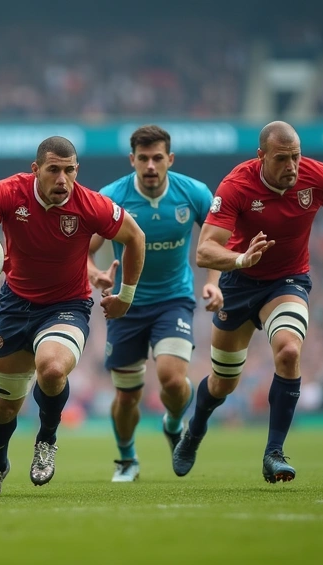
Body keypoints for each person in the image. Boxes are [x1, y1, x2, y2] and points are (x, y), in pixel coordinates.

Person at [0, 136, 146, 496]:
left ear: (77, 170)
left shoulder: (91, 204)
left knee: (51, 367)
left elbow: (135, 237)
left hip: (68, 305)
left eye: (69, 170)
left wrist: (126, 295)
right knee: (4, 407)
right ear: (36, 170)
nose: (62, 179)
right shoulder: (7, 193)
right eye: (53, 170)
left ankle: (47, 439)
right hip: (15, 306)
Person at [177, 121, 323, 483]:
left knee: (289, 352)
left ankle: (274, 452)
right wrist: (240, 260)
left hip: (288, 280)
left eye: (295, 157)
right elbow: (204, 251)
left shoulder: (321, 177)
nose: (292, 167)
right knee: (223, 382)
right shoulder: (236, 185)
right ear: (261, 156)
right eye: (282, 159)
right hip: (239, 283)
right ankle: (195, 430)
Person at [87, 125, 222, 482]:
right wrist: (94, 273)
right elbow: (85, 252)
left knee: (173, 381)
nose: (150, 165)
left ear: (169, 160)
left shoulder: (193, 193)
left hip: (173, 300)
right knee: (127, 396)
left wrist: (212, 283)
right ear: (132, 160)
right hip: (124, 304)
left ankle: (173, 423)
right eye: (143, 158)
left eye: (157, 158)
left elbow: (218, 238)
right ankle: (127, 459)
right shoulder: (112, 197)